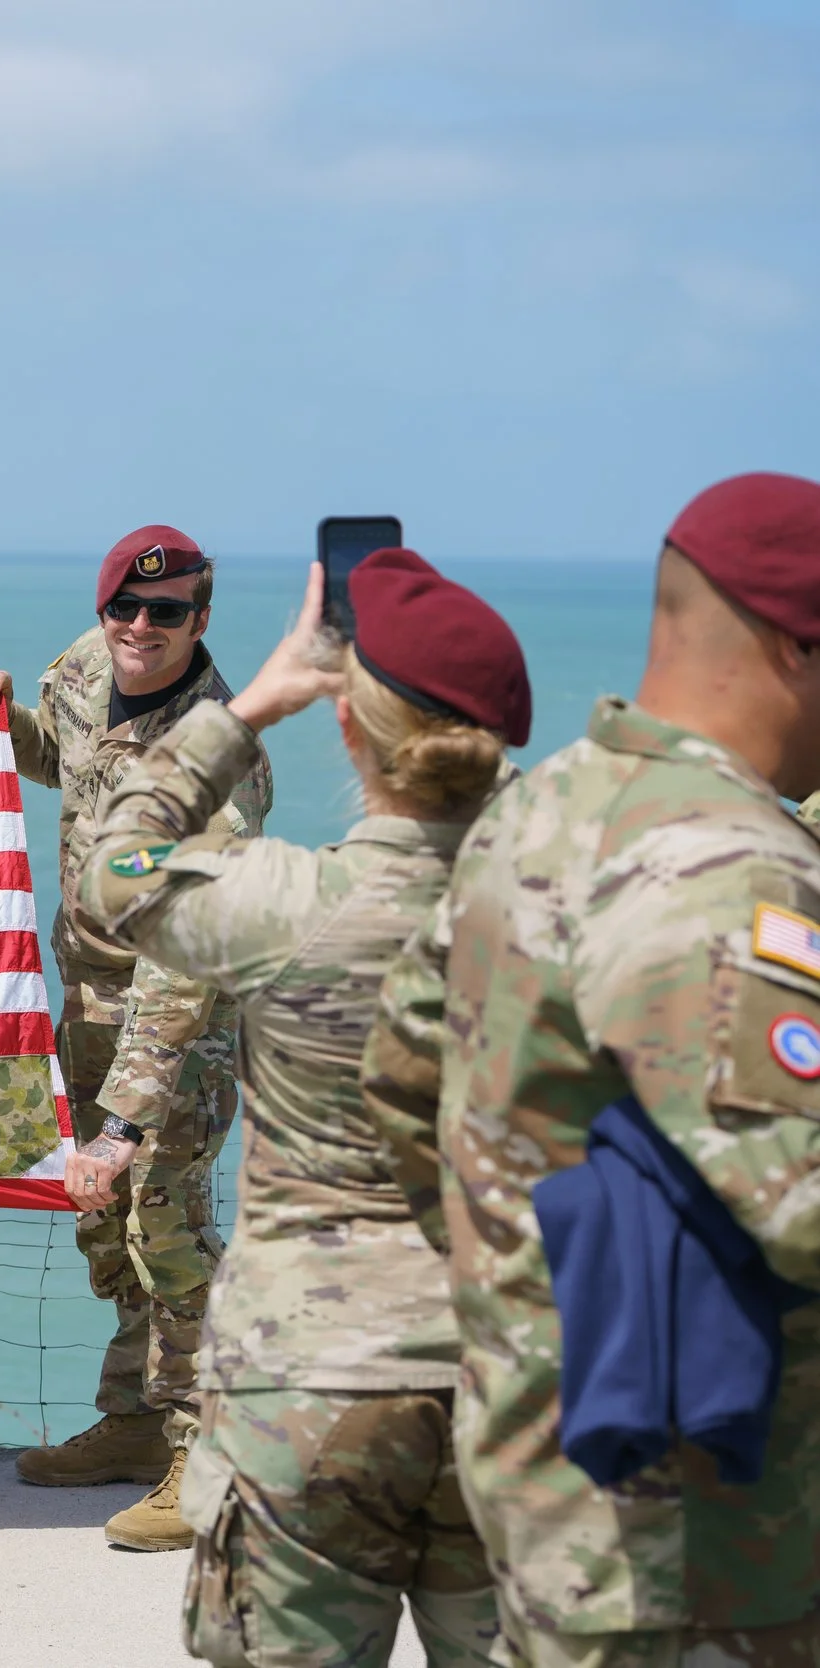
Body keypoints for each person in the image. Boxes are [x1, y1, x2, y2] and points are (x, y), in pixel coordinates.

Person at [365, 472, 820, 1668]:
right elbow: (799, 1196)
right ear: (793, 649)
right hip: (710, 1537)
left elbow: (405, 1074)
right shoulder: (723, 865)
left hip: (565, 1483)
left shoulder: (545, 807)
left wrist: (527, 1296)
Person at [77, 553, 527, 1666]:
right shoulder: (565, 910)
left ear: (350, 733)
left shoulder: (283, 902)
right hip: (507, 1376)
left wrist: (248, 706)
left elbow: (115, 870)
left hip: (310, 1384)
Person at [0, 525, 272, 1551]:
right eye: (125, 608)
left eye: (167, 612)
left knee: (165, 1226)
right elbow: (64, 760)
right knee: (101, 1225)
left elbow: (184, 957)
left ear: (201, 620)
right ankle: (136, 1420)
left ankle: (209, 1451)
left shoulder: (218, 754)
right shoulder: (84, 670)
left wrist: (126, 1121)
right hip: (86, 997)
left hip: (181, 1019)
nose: (141, 627)